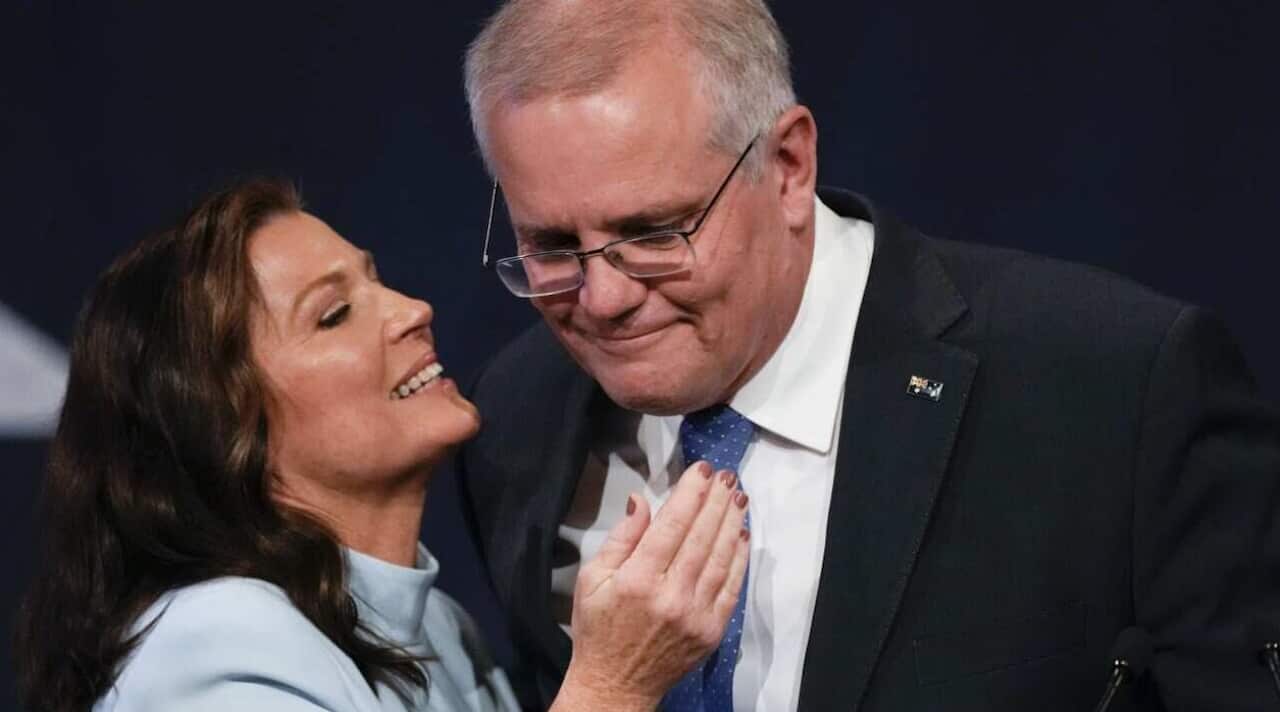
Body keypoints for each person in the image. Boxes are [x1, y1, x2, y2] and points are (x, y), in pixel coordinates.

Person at [456, 1, 1280, 710]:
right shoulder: (520, 417)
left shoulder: (1115, 392)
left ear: (787, 166)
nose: (603, 299)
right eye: (552, 244)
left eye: (655, 233)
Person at [13, 178, 751, 712]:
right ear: (227, 427)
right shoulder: (212, 654)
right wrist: (612, 689)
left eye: (376, 282)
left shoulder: (435, 630)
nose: (412, 311)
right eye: (334, 315)